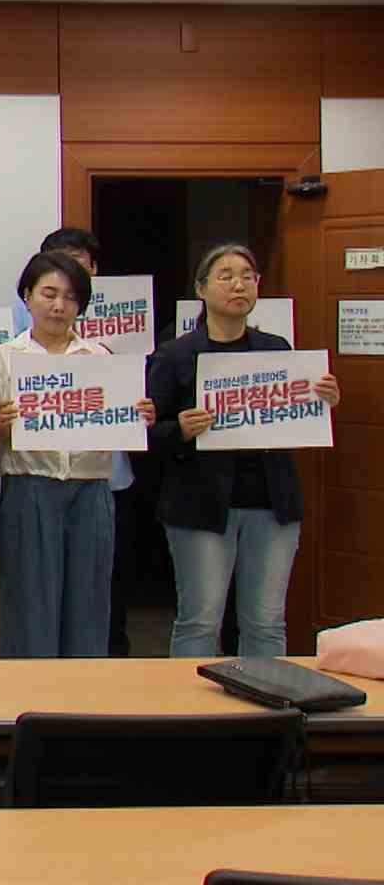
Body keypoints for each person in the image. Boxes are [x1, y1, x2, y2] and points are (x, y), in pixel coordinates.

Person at [149, 243, 339, 658]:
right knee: (200, 621)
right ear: (201, 289)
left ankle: (266, 698)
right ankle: (186, 699)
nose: (239, 285)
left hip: (272, 503)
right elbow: (145, 433)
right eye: (226, 276)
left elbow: (296, 415)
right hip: (200, 505)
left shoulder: (276, 349)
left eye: (248, 277)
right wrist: (180, 429)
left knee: (266, 622)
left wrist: (323, 399)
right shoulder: (175, 354)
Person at [0, 252, 158, 658]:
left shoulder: (100, 359)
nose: (59, 305)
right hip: (30, 487)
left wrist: (140, 417)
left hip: (90, 489)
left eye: (70, 297)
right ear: (27, 296)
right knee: (30, 603)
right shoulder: (1, 358)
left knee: (89, 601)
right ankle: (29, 690)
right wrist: (2, 427)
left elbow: (119, 419)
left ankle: (83, 690)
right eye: (48, 294)